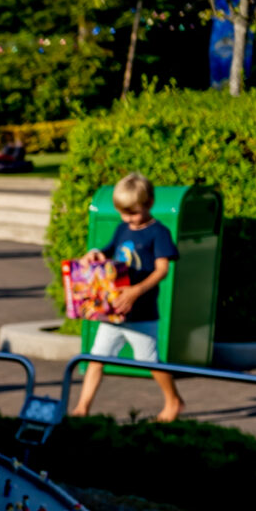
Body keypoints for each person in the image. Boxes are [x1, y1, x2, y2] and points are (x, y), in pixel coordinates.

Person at [71, 172, 184, 421]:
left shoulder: (159, 232)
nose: (127, 219)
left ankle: (174, 401)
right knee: (96, 359)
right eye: (123, 213)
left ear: (149, 203)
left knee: (149, 361)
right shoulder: (123, 228)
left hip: (141, 313)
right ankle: (82, 408)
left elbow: (162, 270)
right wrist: (94, 254)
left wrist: (136, 291)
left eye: (132, 213)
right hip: (113, 311)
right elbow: (108, 251)